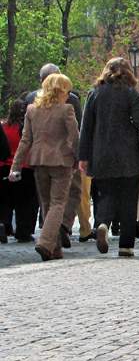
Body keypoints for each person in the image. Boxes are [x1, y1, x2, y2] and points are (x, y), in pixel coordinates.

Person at [78, 57, 139, 257]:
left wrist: (83, 156)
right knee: (128, 199)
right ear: (127, 72)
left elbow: (86, 128)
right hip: (129, 156)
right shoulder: (130, 93)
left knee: (105, 194)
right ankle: (126, 246)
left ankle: (102, 224)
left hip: (101, 154)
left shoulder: (94, 94)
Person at [10, 74, 78, 261]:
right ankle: (45, 242)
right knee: (58, 203)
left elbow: (25, 140)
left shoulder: (32, 109)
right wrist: (79, 158)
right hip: (61, 161)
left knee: (46, 204)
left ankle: (54, 249)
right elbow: (74, 137)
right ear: (62, 91)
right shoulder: (67, 110)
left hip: (39, 161)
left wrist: (15, 166)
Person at [26, 63, 83, 248]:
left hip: (38, 158)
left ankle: (53, 243)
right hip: (64, 158)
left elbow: (26, 135)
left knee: (46, 200)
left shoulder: (30, 99)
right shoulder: (70, 101)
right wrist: (79, 156)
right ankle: (61, 228)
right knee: (69, 195)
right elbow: (77, 130)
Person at [1, 99, 39, 243]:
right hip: (25, 168)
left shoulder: (4, 127)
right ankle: (24, 231)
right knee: (27, 203)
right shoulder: (27, 128)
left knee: (5, 201)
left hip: (5, 167)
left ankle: (4, 226)